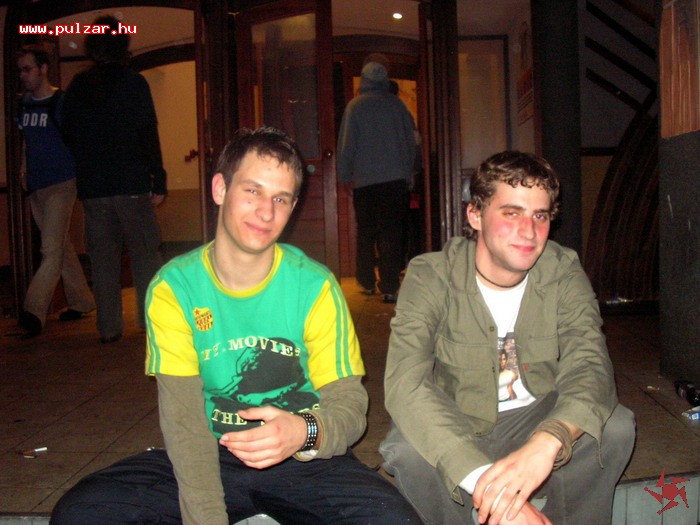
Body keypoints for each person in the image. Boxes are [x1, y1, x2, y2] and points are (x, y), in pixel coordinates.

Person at [51, 127, 420, 525]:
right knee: (82, 512)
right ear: (220, 189)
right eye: (253, 191)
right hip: (212, 453)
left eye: (281, 198)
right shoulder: (176, 288)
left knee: (393, 520)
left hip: (303, 457)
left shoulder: (314, 287)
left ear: (293, 207)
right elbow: (185, 425)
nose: (267, 212)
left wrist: (303, 432)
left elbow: (349, 408)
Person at [379, 151, 636, 525]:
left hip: (537, 416)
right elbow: (406, 384)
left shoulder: (562, 269)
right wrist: (491, 489)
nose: (529, 231)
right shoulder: (430, 276)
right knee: (407, 451)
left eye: (540, 216)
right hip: (459, 419)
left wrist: (549, 440)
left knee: (613, 427)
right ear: (475, 215)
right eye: (512, 213)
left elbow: (590, 363)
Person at [61, 15, 166, 343]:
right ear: (122, 45)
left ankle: (108, 328)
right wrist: (158, 178)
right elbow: (148, 132)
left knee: (103, 259)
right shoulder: (134, 83)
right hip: (131, 182)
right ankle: (150, 324)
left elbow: (67, 131)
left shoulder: (79, 86)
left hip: (94, 187)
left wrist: (87, 160)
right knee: (145, 254)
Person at [15, 44, 95, 337]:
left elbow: (78, 139)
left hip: (62, 183)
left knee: (49, 249)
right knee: (61, 246)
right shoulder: (24, 105)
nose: (23, 75)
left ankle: (33, 311)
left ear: (43, 69)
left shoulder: (61, 102)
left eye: (28, 69)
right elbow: (26, 141)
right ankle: (82, 300)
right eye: (20, 70)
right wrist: (23, 170)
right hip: (37, 185)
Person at [336, 60, 417, 303]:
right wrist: (410, 173)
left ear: (363, 80)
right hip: (395, 180)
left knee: (366, 233)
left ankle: (366, 281)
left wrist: (345, 176)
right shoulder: (398, 106)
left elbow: (347, 145)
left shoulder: (355, 107)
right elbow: (411, 143)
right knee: (392, 234)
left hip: (365, 182)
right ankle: (390, 286)